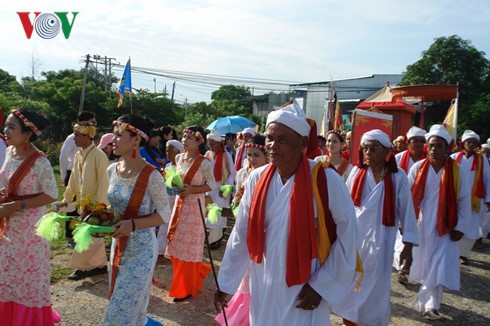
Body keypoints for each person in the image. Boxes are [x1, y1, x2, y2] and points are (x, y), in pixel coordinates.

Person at [214, 101, 359, 325]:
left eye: (282, 140)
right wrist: (226, 284)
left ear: (301, 142)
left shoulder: (324, 179)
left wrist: (323, 285)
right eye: (270, 138)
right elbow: (241, 233)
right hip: (263, 279)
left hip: (305, 283)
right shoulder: (257, 178)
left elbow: (348, 233)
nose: (272, 145)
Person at [333, 129, 418, 326]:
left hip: (383, 240)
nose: (368, 153)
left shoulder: (398, 177)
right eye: (365, 149)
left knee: (377, 286)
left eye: (374, 149)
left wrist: (408, 245)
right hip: (356, 239)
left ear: (386, 151)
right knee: (352, 284)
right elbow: (344, 207)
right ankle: (351, 320)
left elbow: (407, 211)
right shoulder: (357, 172)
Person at [103, 114, 170, 325]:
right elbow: (114, 206)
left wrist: (132, 224)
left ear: (136, 140)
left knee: (119, 311)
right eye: (114, 134)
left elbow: (164, 215)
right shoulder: (112, 169)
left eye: (119, 135)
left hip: (141, 249)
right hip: (118, 245)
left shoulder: (151, 175)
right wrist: (100, 217)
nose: (113, 139)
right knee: (130, 307)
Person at [0, 109, 59, 325]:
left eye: (11, 127)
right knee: (7, 275)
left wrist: (19, 204)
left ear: (27, 133)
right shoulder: (10, 152)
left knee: (29, 277)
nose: (5, 131)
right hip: (9, 225)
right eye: (6, 125)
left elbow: (52, 194)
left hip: (30, 229)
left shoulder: (39, 161)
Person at [408, 124, 471, 321]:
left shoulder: (457, 171)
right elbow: (408, 200)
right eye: (432, 145)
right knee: (428, 265)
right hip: (422, 224)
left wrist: (461, 226)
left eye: (439, 146)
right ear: (427, 147)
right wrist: (406, 225)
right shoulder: (417, 168)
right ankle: (430, 304)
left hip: (446, 226)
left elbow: (464, 200)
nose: (434, 149)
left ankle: (430, 307)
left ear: (446, 148)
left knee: (439, 265)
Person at [215, 134, 268, 326]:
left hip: (262, 234)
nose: (252, 159)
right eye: (249, 155)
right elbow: (239, 200)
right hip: (245, 228)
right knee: (245, 277)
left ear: (267, 156)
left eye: (256, 155)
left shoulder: (271, 177)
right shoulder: (244, 173)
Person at [166, 126, 219, 302]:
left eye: (189, 137)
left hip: (194, 208)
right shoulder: (179, 157)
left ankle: (185, 287)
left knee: (188, 248)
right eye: (183, 136)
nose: (184, 140)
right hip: (179, 206)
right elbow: (175, 178)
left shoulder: (203, 162)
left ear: (198, 141)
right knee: (175, 244)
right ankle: (186, 278)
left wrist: (193, 189)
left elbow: (212, 185)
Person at [58, 121, 109, 280]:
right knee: (93, 237)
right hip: (82, 203)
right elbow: (73, 180)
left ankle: (82, 267)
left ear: (88, 136)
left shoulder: (99, 155)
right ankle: (100, 265)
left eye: (77, 135)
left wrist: (100, 204)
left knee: (86, 236)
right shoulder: (78, 155)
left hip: (95, 204)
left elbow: (104, 181)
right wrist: (66, 199)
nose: (74, 139)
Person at [450, 130, 490, 265]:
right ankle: (452, 251)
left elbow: (487, 179)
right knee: (455, 225)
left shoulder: (482, 159)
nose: (471, 145)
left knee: (471, 227)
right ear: (463, 143)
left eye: (474, 142)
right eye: (469, 142)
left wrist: (488, 199)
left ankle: (464, 254)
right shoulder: (454, 157)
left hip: (474, 200)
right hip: (456, 199)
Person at [393, 126, 427, 283]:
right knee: (401, 237)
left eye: (422, 141)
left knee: (418, 236)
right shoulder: (398, 159)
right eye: (415, 141)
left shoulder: (429, 159)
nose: (418, 144)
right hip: (402, 204)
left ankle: (413, 267)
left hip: (424, 205)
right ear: (409, 142)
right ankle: (402, 268)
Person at [59, 111, 97, 247]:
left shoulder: (91, 138)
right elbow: (63, 158)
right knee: (72, 208)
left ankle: (82, 233)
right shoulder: (72, 138)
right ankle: (70, 237)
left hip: (85, 175)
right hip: (72, 173)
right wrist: (65, 177)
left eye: (94, 122)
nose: (94, 125)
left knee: (85, 206)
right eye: (92, 122)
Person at [205, 130, 236, 249]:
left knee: (217, 215)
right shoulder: (207, 154)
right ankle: (211, 238)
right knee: (209, 214)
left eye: (213, 144)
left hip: (221, 189)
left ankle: (215, 240)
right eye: (209, 144)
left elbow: (232, 173)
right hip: (209, 188)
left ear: (219, 144)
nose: (210, 146)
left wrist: (226, 188)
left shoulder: (226, 155)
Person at [156, 139, 183, 256]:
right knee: (164, 224)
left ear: (178, 152)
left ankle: (174, 251)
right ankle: (160, 251)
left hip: (178, 199)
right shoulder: (167, 165)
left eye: (170, 151)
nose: (167, 153)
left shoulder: (182, 166)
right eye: (166, 151)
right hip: (166, 199)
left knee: (177, 225)